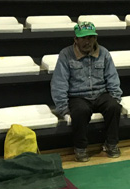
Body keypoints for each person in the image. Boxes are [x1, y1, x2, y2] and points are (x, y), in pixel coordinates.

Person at [51, 21, 123, 162]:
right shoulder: (65, 54)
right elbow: (59, 82)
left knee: (114, 106)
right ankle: (80, 147)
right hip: (78, 96)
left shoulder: (104, 53)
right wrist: (63, 108)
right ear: (76, 39)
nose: (87, 41)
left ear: (95, 38)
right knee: (80, 111)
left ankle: (111, 144)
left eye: (90, 37)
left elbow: (112, 77)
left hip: (100, 93)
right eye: (83, 38)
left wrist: (115, 97)